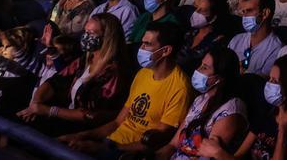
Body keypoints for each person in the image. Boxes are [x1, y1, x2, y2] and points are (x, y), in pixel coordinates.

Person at [60, 21, 190, 156]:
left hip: (128, 154)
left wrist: (104, 149)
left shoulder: (180, 89)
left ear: (166, 51)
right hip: (111, 143)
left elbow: (155, 143)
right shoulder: (143, 73)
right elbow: (117, 122)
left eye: (148, 44)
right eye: (142, 43)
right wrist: (81, 136)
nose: (141, 48)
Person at [163, 46, 247, 160]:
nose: (197, 70)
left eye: (205, 68)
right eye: (201, 65)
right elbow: (173, 144)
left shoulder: (231, 110)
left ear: (219, 78)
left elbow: (208, 156)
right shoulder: (200, 100)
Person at [230, 0, 284, 76]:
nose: (244, 16)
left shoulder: (276, 49)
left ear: (265, 13)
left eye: (249, 11)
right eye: (243, 12)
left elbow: (263, 81)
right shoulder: (236, 40)